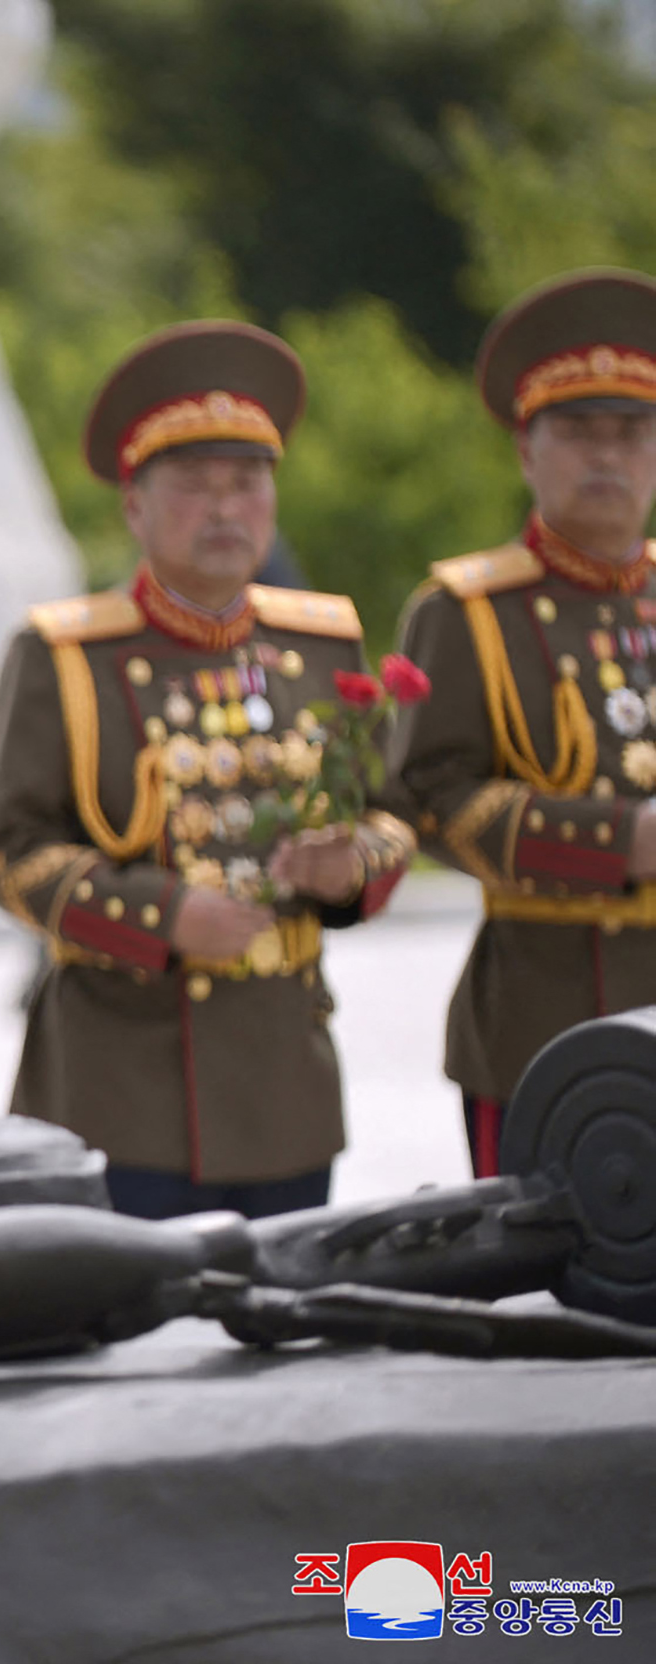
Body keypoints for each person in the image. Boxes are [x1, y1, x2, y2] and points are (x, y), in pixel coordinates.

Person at [0, 322, 415, 1220]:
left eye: (248, 483)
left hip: (282, 1081)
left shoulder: (321, 638)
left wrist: (351, 864)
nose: (226, 509)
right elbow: (10, 854)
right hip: (119, 1090)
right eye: (194, 486)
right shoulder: (64, 654)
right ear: (134, 507)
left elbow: (394, 814)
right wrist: (166, 914)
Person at [386, 268, 656, 1177]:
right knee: (567, 1288)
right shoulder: (465, 610)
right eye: (578, 435)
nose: (608, 458)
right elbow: (427, 799)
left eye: (632, 433)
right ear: (526, 452)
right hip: (547, 1017)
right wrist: (620, 842)